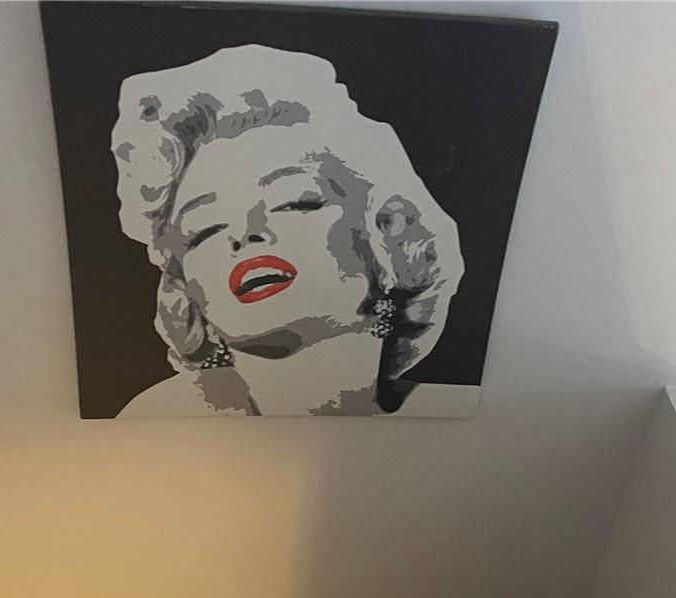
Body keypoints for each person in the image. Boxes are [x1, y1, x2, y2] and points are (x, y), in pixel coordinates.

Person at [111, 45, 469, 417]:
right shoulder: (158, 421)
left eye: (294, 202)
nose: (245, 234)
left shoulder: (456, 416)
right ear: (184, 288)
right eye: (205, 228)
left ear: (389, 238)